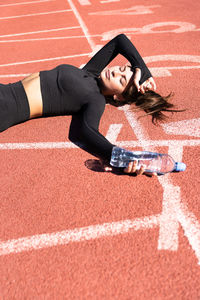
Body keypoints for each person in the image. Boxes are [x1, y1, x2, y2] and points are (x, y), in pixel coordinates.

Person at [0, 34, 180, 175]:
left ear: (120, 98)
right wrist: (143, 71)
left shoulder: (95, 100)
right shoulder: (90, 72)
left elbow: (85, 132)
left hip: (5, 108)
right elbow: (120, 41)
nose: (116, 72)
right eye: (122, 69)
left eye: (122, 80)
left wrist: (121, 158)